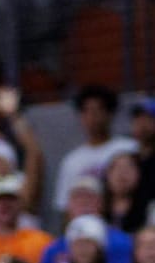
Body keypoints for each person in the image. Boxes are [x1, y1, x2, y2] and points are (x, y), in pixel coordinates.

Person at [53, 86, 139, 215]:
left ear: (110, 114)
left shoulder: (130, 148)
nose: (92, 117)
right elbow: (65, 207)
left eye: (98, 110)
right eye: (86, 111)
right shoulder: (72, 160)